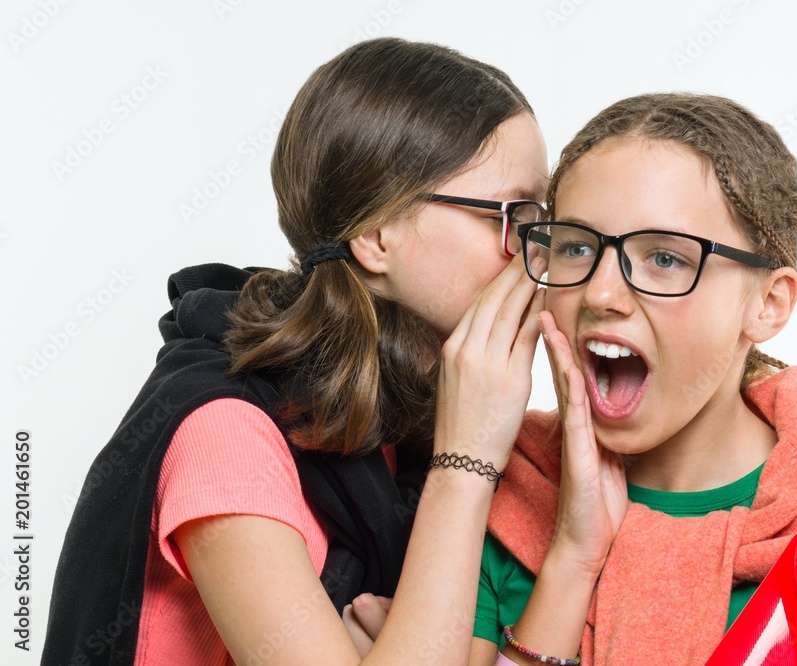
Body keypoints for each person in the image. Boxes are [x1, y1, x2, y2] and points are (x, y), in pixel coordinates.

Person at [42, 37, 549, 665]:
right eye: (512, 216)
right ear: (375, 235)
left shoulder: (396, 415)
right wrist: (465, 466)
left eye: (545, 216)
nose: (538, 250)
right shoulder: (223, 433)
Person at [464, 93, 797, 665]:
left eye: (665, 258)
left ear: (768, 303)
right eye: (577, 248)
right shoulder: (501, 493)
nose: (601, 294)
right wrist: (570, 557)